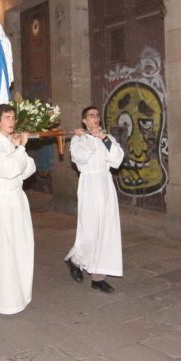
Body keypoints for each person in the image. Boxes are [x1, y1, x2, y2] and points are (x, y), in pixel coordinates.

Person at [0, 104, 36, 314]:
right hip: (2, 202)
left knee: (22, 247)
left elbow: (29, 168)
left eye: (13, 117)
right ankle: (6, 300)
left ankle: (21, 294)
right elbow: (8, 169)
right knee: (5, 250)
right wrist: (20, 149)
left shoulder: (10, 143)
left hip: (17, 199)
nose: (12, 121)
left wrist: (16, 149)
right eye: (7, 117)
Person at [65, 105, 125, 293]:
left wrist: (104, 138)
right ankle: (75, 260)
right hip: (89, 184)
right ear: (84, 120)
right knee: (90, 229)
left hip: (105, 185)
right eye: (91, 116)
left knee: (107, 230)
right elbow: (80, 157)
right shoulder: (78, 139)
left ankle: (99, 277)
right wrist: (88, 138)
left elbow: (117, 159)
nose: (95, 118)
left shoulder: (107, 138)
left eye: (97, 115)